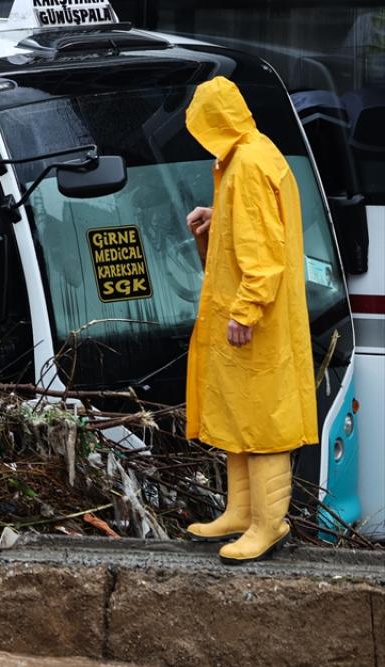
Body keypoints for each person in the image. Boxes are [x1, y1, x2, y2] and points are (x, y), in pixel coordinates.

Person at [182, 76, 317, 564]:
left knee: (263, 423)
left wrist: (246, 310)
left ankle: (268, 523)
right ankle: (241, 512)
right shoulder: (251, 153)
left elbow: (263, 255)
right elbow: (258, 227)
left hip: (257, 321)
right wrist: (218, 217)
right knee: (241, 415)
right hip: (252, 317)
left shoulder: (248, 166)